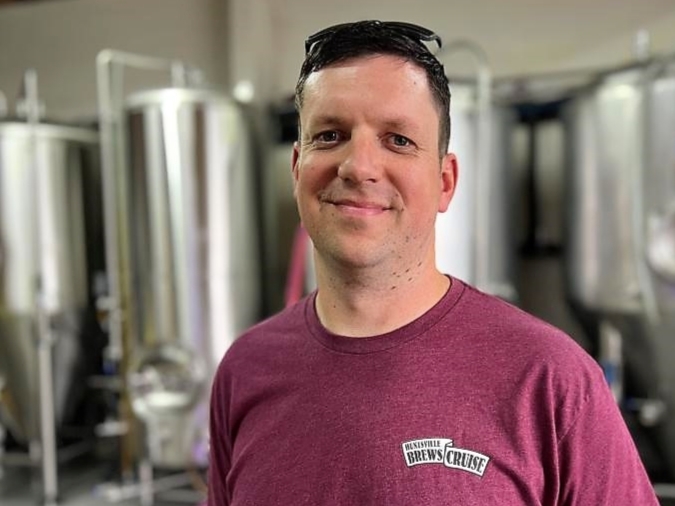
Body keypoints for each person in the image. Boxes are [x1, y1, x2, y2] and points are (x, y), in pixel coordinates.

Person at [207, 20, 659, 505]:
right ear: (297, 170)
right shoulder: (246, 369)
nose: (358, 166)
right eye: (331, 134)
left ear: (445, 182)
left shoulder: (550, 380)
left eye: (397, 139)